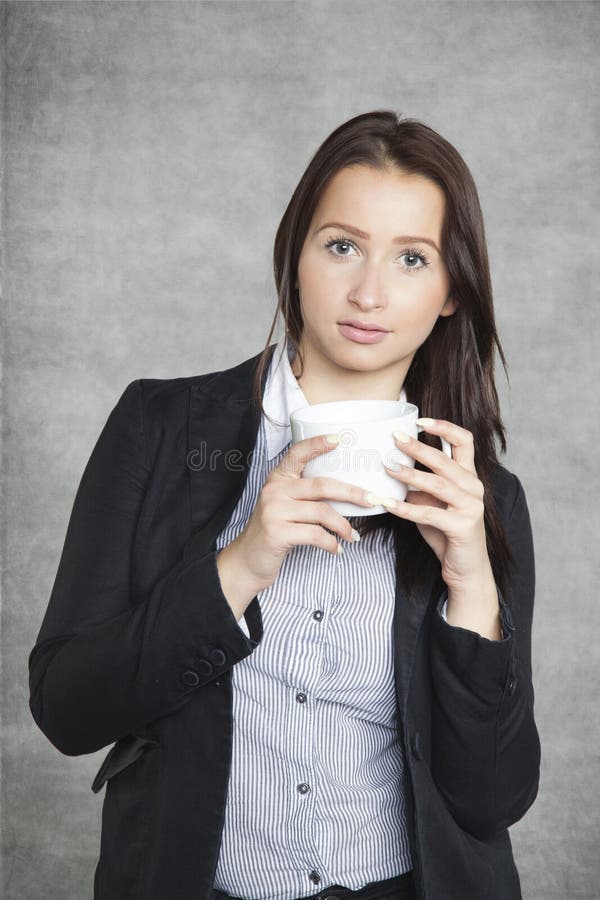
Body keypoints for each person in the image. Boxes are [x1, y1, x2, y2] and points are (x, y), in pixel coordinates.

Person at [28, 110, 541, 900]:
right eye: (342, 246)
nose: (369, 292)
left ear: (450, 293)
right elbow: (67, 710)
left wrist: (473, 587)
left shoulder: (479, 498)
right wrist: (237, 568)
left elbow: (493, 798)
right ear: (296, 255)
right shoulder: (161, 429)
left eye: (412, 258)